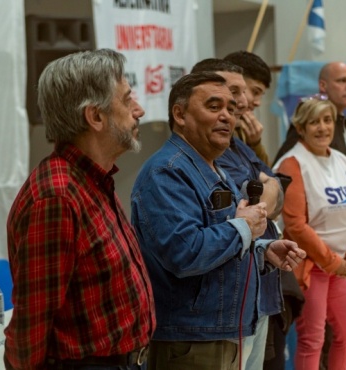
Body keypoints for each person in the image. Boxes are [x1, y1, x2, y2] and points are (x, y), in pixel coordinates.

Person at [131, 72, 306, 370]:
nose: (227, 116)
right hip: (192, 339)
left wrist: (261, 251)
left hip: (225, 329)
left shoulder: (212, 168)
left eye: (231, 109)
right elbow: (185, 252)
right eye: (214, 107)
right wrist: (243, 230)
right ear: (180, 113)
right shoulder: (168, 172)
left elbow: (220, 239)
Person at [4, 49, 155, 370]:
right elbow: (30, 326)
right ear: (95, 116)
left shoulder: (93, 179)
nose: (139, 110)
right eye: (127, 100)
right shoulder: (57, 196)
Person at [190, 58, 286, 370]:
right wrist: (269, 185)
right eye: (232, 94)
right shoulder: (184, 165)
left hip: (257, 290)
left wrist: (269, 183)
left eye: (240, 96)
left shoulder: (239, 147)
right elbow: (257, 209)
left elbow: (278, 195)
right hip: (225, 306)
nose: (241, 103)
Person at [274, 96, 346, 370]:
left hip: (338, 265)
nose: (322, 128)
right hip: (311, 265)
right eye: (314, 122)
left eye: (327, 120)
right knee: (313, 338)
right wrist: (333, 262)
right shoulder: (292, 164)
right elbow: (296, 225)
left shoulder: (341, 159)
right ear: (301, 128)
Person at [224, 50, 272, 164]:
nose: (258, 103)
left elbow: (267, 173)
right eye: (255, 92)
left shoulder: (242, 128)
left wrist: (255, 144)